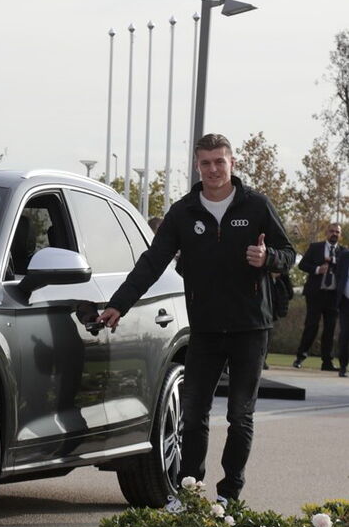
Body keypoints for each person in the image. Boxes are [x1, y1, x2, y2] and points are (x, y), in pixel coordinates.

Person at [97, 133, 295, 504]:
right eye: (206, 163)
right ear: (196, 166)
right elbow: (152, 263)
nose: (213, 169)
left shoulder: (256, 206)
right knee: (193, 415)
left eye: (220, 161)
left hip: (251, 328)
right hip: (204, 329)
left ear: (232, 163)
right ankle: (189, 492)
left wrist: (268, 258)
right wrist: (119, 304)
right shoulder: (184, 212)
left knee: (240, 415)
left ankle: (229, 496)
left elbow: (289, 253)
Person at [293, 223, 342, 370]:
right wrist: (317, 269)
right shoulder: (316, 247)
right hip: (316, 294)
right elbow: (302, 265)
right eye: (332, 231)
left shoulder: (343, 252)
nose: (334, 234)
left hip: (333, 296)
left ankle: (327, 362)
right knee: (311, 326)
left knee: (330, 329)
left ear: (340, 235)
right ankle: (300, 357)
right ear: (327, 232)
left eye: (337, 232)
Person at [333, 246, 349, 378]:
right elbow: (338, 275)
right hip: (345, 302)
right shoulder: (344, 256)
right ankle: (343, 366)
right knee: (345, 334)